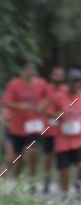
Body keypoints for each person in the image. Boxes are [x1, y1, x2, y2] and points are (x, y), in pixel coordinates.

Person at [50, 69, 81, 200]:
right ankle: (65, 194)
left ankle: (78, 182)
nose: (76, 84)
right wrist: (60, 114)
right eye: (73, 81)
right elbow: (49, 112)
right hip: (63, 139)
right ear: (69, 82)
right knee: (64, 169)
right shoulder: (59, 96)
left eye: (78, 81)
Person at [1, 57, 48, 188]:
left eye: (32, 68)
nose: (30, 71)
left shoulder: (41, 83)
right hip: (15, 128)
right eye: (27, 68)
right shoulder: (14, 84)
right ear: (22, 70)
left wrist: (42, 106)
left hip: (33, 127)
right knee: (14, 160)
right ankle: (12, 184)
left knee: (32, 152)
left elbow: (48, 97)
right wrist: (20, 106)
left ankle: (31, 178)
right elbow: (5, 102)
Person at [42, 65, 66, 194]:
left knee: (61, 155)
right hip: (48, 127)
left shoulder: (65, 89)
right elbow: (40, 106)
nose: (59, 77)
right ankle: (47, 178)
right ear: (52, 76)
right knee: (48, 156)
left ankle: (60, 180)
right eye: (56, 74)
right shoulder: (46, 89)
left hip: (62, 129)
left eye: (61, 74)